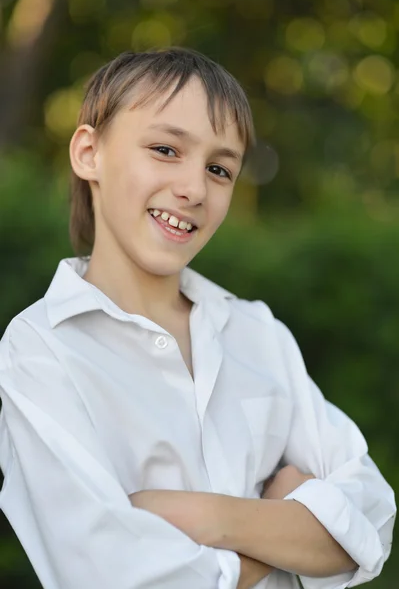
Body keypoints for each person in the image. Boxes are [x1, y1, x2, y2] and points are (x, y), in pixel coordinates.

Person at [0, 48, 395, 589]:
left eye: (219, 168)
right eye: (165, 149)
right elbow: (113, 575)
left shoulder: (257, 333)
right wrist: (283, 530)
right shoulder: (39, 350)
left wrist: (206, 516)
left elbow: (371, 517)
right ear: (89, 153)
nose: (194, 189)